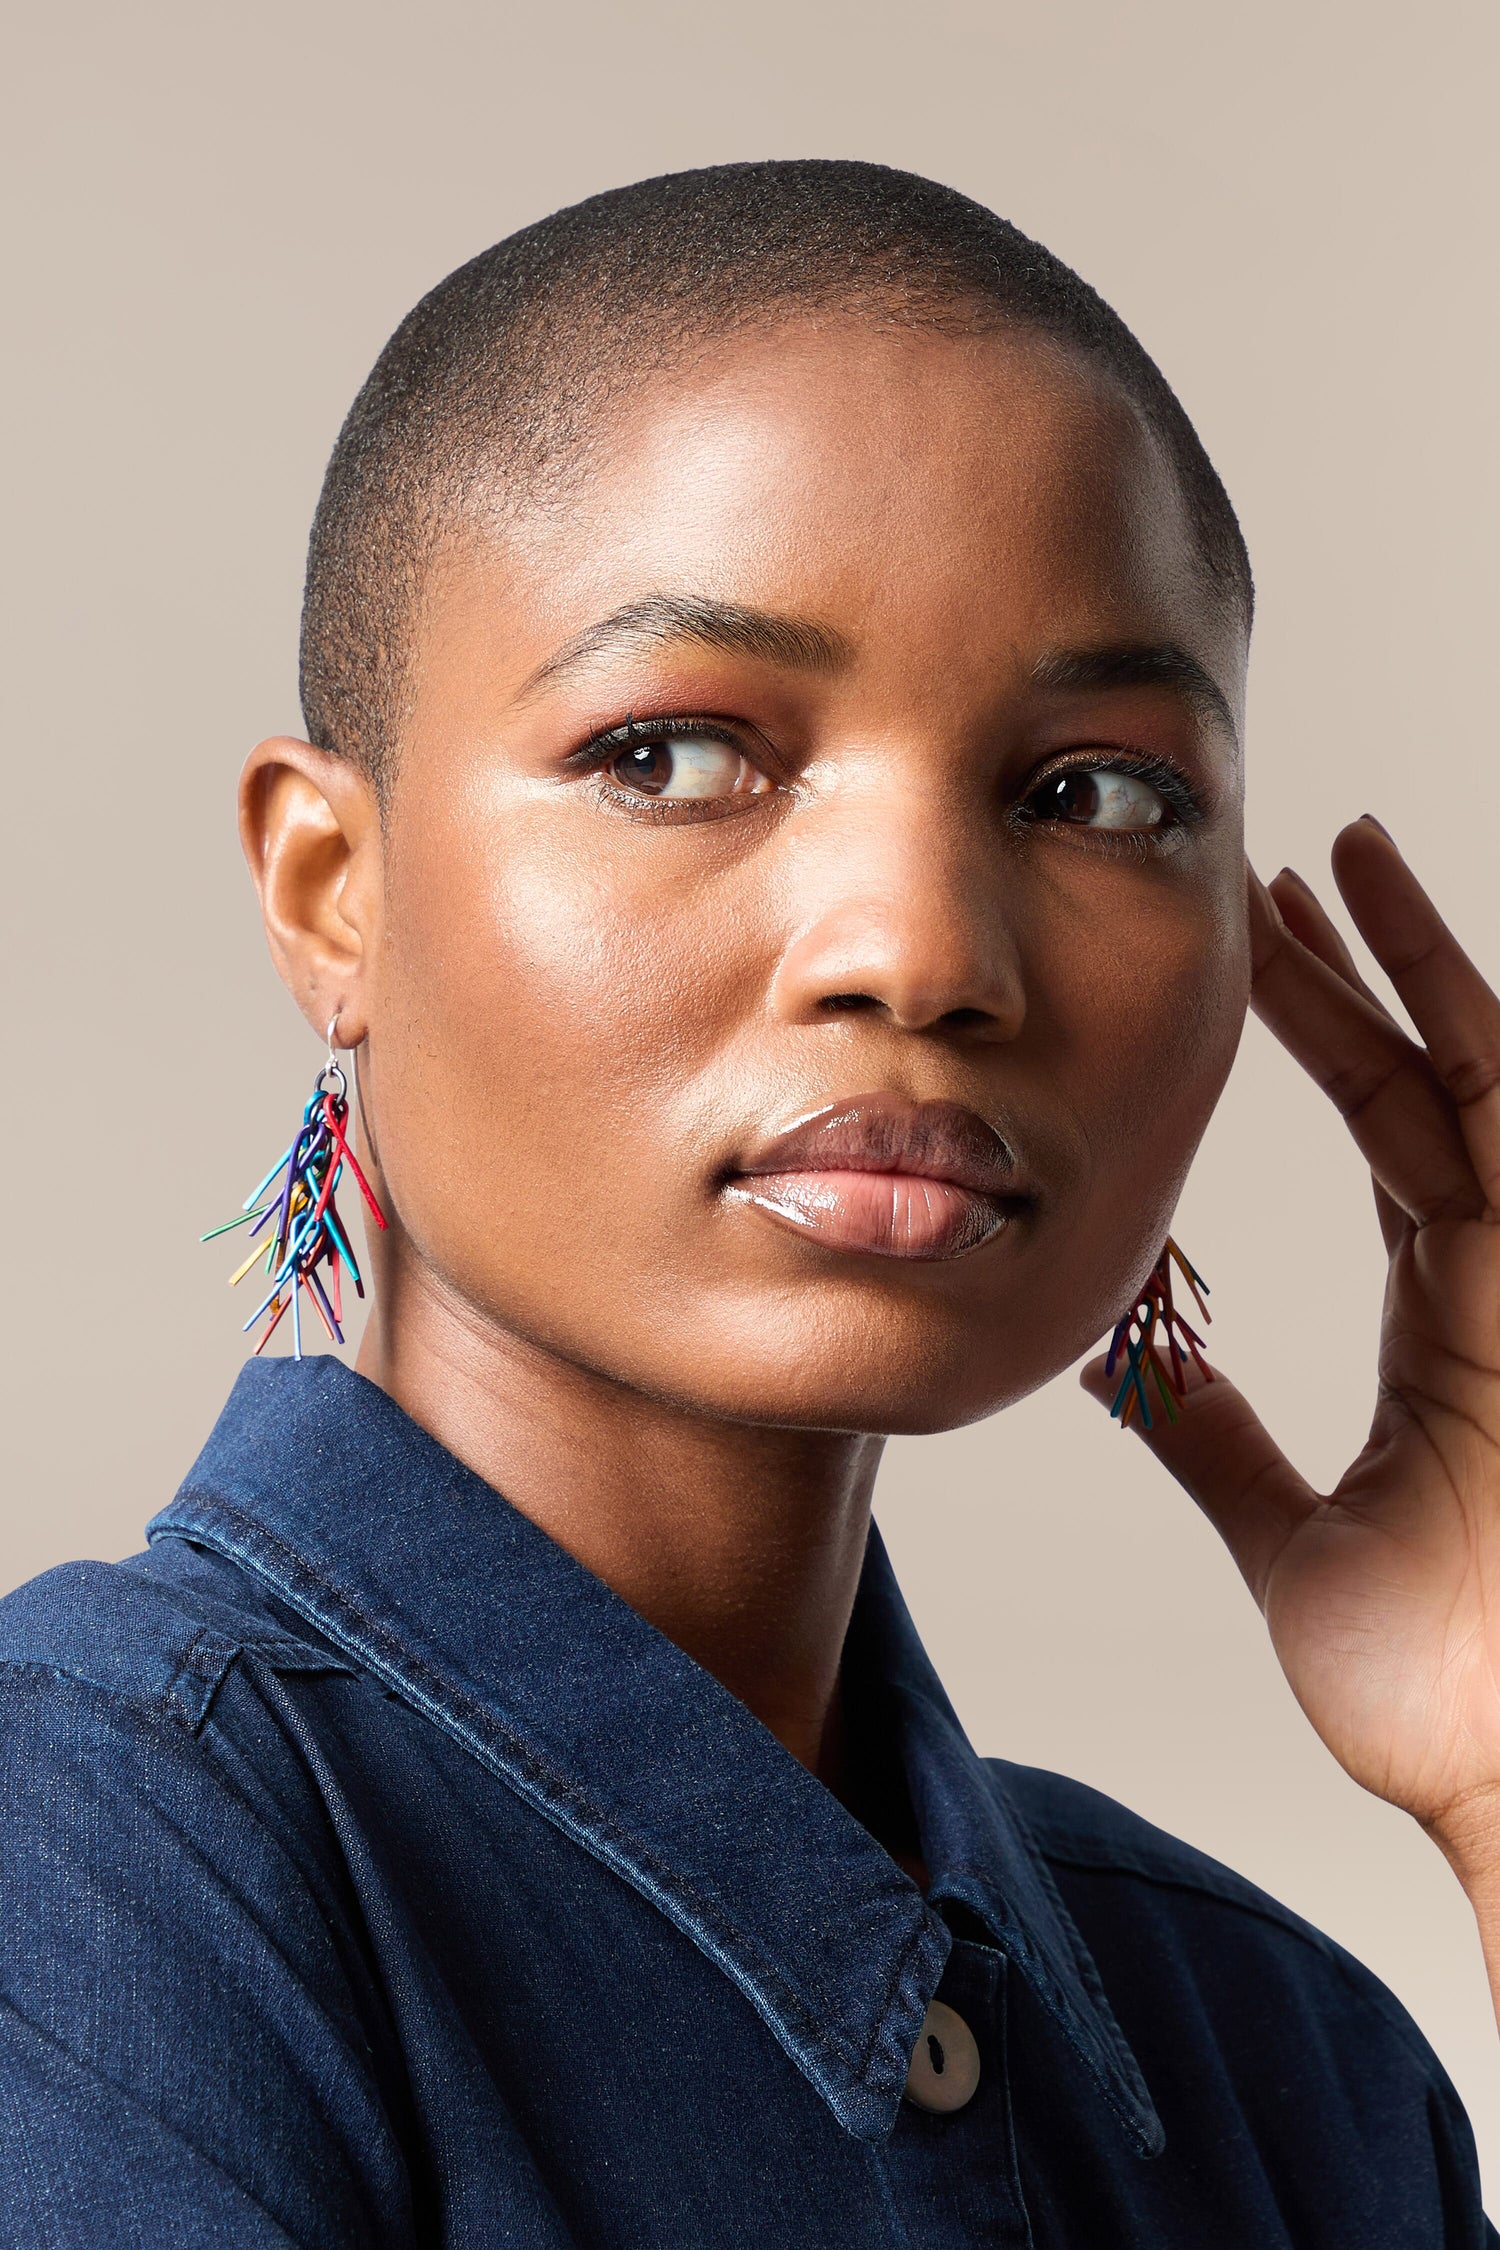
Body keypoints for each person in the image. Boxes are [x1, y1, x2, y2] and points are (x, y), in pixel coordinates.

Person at [1, 159, 1494, 2247]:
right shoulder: (90, 1852)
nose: (920, 949)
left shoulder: (1273, 2050)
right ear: (332, 893)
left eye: (1095, 792)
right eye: (677, 755)